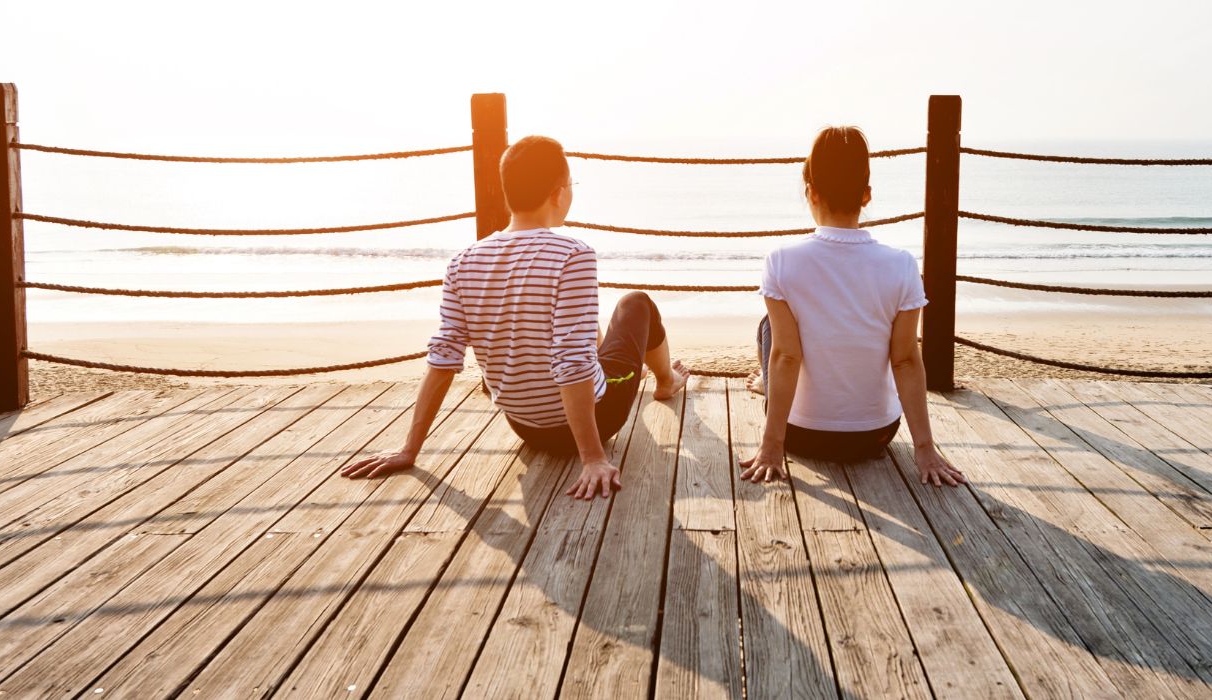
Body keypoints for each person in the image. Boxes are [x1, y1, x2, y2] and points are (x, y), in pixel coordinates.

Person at [341, 136, 690, 499]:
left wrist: (409, 449)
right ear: (559, 194)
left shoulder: (463, 262)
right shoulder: (573, 254)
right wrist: (592, 458)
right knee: (635, 303)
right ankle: (666, 382)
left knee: (571, 319)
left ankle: (639, 375)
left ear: (509, 194)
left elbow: (444, 357)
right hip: (599, 420)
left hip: (525, 426)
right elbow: (570, 361)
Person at [740, 126, 966, 486]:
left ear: (810, 193)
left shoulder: (781, 262)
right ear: (866, 196)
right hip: (874, 435)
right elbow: (906, 359)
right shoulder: (902, 265)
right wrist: (924, 449)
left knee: (771, 326)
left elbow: (786, 356)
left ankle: (773, 391)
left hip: (800, 433)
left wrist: (772, 448)